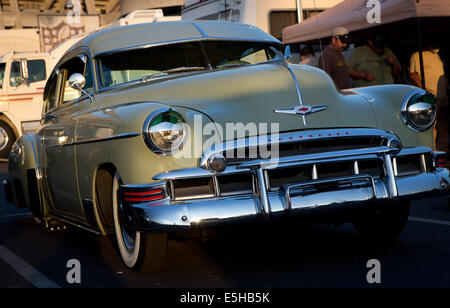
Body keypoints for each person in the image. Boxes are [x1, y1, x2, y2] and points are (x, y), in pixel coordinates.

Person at [410, 44, 448, 152]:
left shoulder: (436, 55)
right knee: (430, 123)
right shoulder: (418, 55)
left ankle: (442, 147)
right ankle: (431, 147)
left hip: (441, 94)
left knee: (441, 123)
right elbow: (413, 74)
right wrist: (424, 90)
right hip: (430, 94)